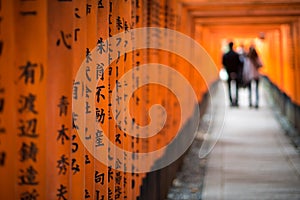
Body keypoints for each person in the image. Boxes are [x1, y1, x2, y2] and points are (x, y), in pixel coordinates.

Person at [222, 42, 243, 107]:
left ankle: (231, 101)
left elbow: (223, 63)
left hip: (229, 73)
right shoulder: (236, 55)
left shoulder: (226, 55)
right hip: (235, 73)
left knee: (229, 87)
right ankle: (236, 101)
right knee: (236, 87)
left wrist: (228, 71)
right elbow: (240, 64)